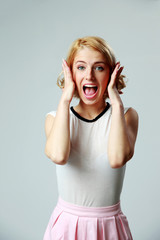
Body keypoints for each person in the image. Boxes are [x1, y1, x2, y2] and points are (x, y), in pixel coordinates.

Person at [43, 36, 139, 240]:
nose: (89, 76)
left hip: (110, 227)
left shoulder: (126, 116)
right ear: (70, 73)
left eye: (99, 68)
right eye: (80, 67)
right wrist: (65, 100)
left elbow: (117, 159)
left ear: (111, 74)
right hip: (67, 227)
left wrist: (117, 103)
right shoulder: (54, 118)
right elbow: (59, 155)